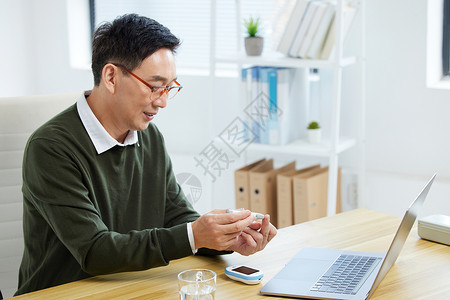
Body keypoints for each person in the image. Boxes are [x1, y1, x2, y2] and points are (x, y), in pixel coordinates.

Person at [15, 14, 277, 296]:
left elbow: (177, 216)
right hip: (61, 293)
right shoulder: (50, 148)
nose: (162, 101)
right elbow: (94, 250)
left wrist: (224, 238)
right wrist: (195, 235)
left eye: (169, 87)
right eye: (154, 86)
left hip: (130, 287)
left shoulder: (149, 137)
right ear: (112, 77)